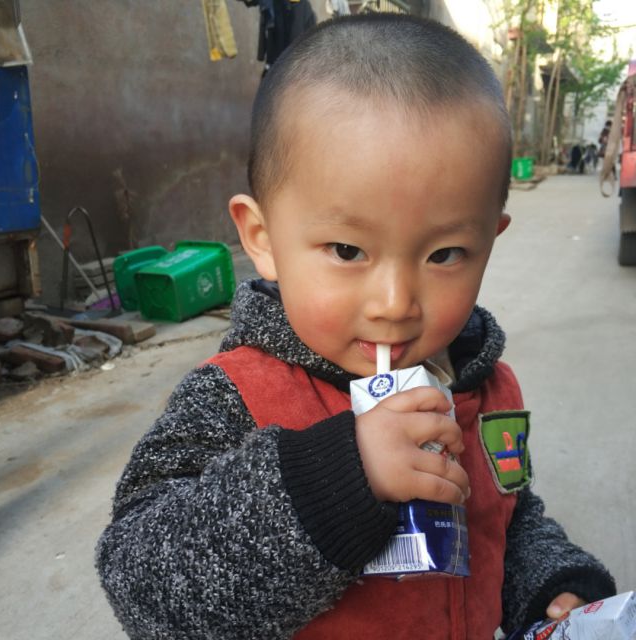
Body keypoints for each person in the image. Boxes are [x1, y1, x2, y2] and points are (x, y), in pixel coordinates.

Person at [96, 15, 616, 639]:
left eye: (445, 254)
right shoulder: (235, 397)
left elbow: (508, 517)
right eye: (347, 251)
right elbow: (139, 582)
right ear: (262, 238)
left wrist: (551, 586)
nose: (395, 304)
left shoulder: (487, 388)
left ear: (489, 241)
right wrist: (339, 479)